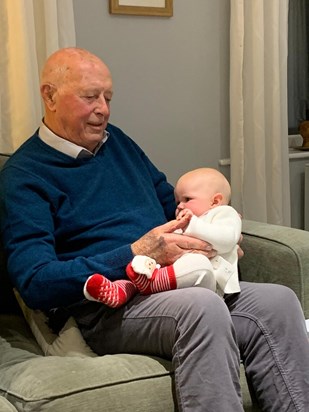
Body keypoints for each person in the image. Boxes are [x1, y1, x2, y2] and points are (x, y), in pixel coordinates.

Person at [0, 47, 308, 412]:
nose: (104, 109)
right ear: (49, 96)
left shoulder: (119, 145)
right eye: (89, 97)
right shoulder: (24, 177)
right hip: (106, 306)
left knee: (277, 301)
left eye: (108, 97)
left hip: (174, 282)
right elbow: (35, 281)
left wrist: (212, 229)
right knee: (201, 307)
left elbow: (172, 206)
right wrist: (136, 252)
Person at [84, 167, 242, 308]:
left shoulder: (224, 214)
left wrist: (192, 225)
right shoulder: (186, 221)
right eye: (178, 201)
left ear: (215, 201)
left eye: (187, 199)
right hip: (175, 277)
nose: (179, 206)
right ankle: (121, 289)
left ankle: (149, 283)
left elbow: (227, 239)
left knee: (199, 264)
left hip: (211, 281)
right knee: (144, 264)